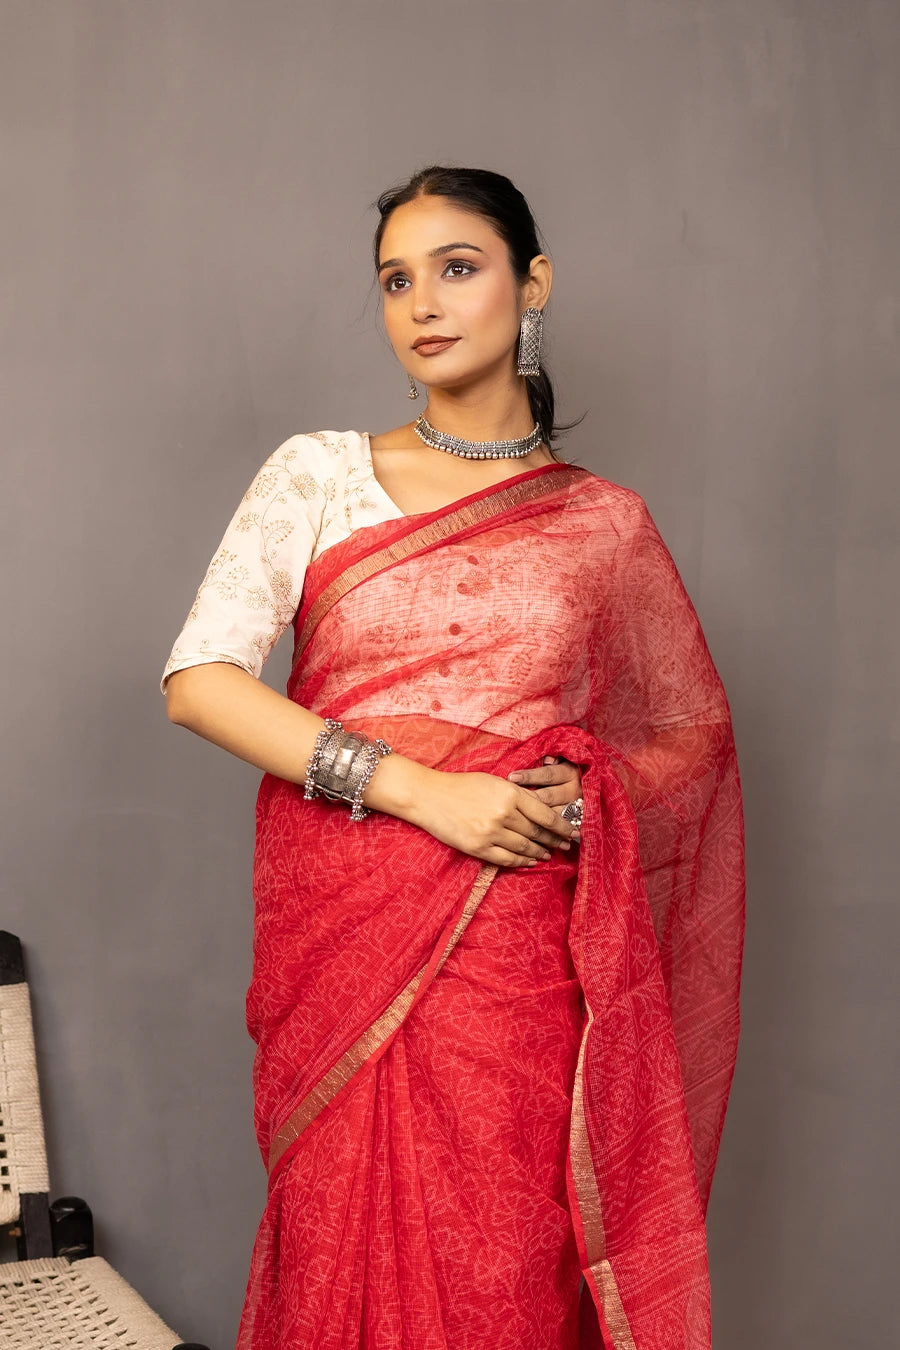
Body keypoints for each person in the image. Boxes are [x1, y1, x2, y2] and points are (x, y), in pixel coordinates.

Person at [161, 165, 745, 1350]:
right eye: (395, 280)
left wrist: (590, 795)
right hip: (346, 935)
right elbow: (200, 680)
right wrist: (422, 793)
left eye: (458, 268)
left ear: (533, 284)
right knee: (341, 1244)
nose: (422, 303)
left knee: (503, 1278)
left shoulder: (603, 523)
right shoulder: (318, 473)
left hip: (517, 961)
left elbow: (691, 734)